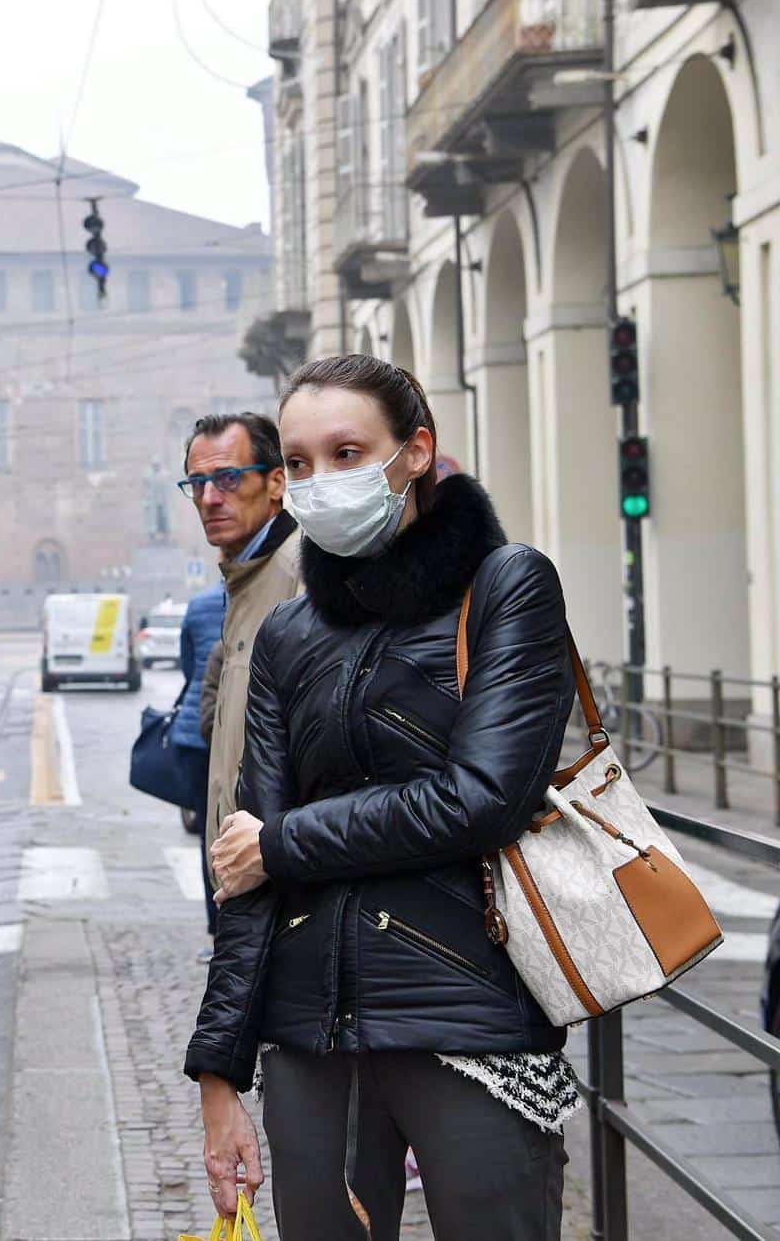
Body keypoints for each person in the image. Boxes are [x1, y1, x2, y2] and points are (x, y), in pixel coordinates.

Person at [188, 355, 578, 1240]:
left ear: (415, 454)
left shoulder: (507, 585)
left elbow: (482, 797)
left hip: (470, 1025)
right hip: (311, 1044)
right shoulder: (291, 630)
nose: (318, 481)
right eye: (298, 462)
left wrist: (287, 842)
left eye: (347, 452)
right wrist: (219, 1073)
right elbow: (244, 866)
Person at [183, 413, 303, 948]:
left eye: (229, 479)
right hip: (247, 873)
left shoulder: (298, 573)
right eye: (197, 484)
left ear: (275, 483)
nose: (209, 498)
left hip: (279, 876)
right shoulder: (245, 577)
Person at [174, 581, 228, 939]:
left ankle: (215, 931)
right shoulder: (264, 597)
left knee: (208, 837)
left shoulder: (198, 605)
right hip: (228, 729)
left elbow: (187, 664)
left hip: (195, 735)